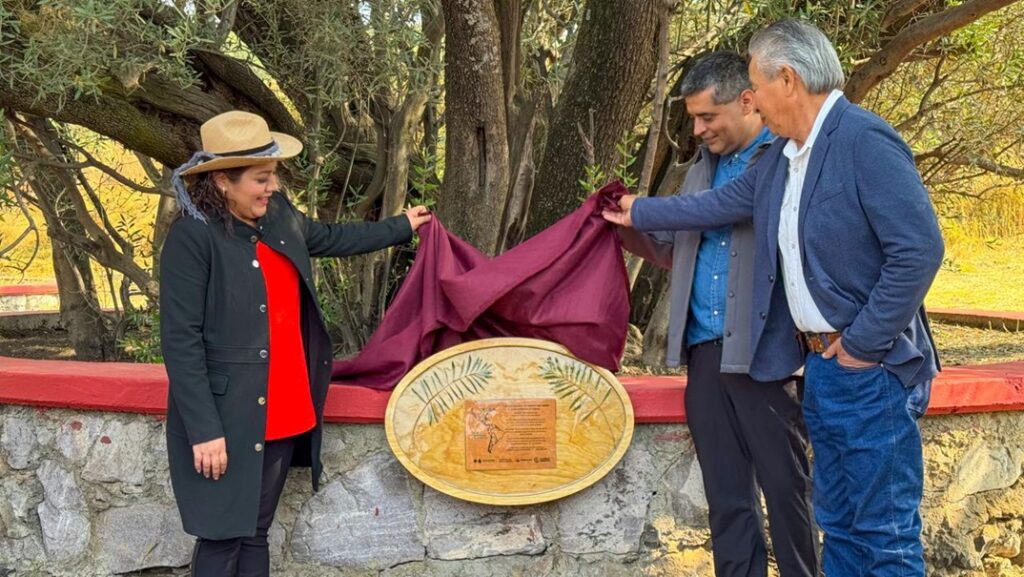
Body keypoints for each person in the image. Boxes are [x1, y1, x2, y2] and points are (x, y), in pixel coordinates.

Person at [603, 20, 943, 577]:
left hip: (870, 370)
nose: (752, 100)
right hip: (826, 366)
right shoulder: (787, 158)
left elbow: (920, 250)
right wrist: (636, 212)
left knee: (881, 534)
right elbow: (713, 206)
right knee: (843, 528)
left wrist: (862, 343)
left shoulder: (862, 139)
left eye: (756, 87)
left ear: (786, 79)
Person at [160, 110, 431, 577]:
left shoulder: (280, 215)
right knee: (222, 536)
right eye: (261, 179)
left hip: (286, 407)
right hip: (227, 418)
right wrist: (205, 430)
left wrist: (401, 226)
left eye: (273, 177)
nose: (272, 187)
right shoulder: (193, 238)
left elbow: (331, 237)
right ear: (223, 181)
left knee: (256, 531)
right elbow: (180, 341)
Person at [618, 52, 816, 577]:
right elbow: (677, 246)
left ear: (748, 101)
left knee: (788, 494)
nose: (699, 129)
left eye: (708, 117)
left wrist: (643, 207)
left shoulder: (785, 160)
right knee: (727, 499)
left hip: (768, 354)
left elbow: (735, 216)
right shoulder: (696, 172)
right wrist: (619, 225)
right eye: (693, 120)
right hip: (706, 356)